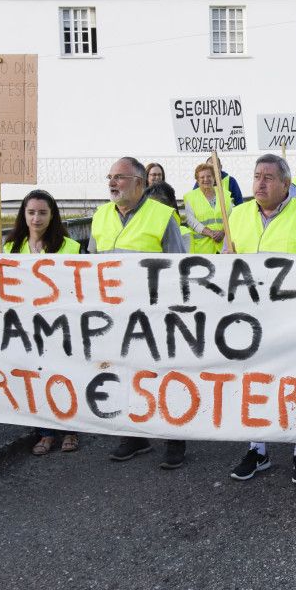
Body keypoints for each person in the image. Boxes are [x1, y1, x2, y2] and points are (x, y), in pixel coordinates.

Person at [226, 154, 296, 485]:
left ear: (286, 184)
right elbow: (224, 268)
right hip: (249, 320)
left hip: (295, 318)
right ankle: (257, 449)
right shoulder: (237, 214)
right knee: (254, 383)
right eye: (257, 176)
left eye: (268, 178)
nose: (260, 183)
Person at [91, 157, 188, 468]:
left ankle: (175, 439)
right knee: (124, 373)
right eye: (110, 177)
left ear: (139, 182)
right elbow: (91, 265)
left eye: (119, 177)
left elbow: (178, 267)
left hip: (155, 314)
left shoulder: (162, 216)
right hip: (115, 315)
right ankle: (135, 436)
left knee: (164, 375)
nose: (112, 183)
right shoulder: (101, 215)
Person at [3, 190, 85, 455]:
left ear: (52, 215)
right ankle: (46, 433)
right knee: (36, 378)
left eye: (42, 212)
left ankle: (71, 430)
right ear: (23, 215)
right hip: (26, 326)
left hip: (60, 324)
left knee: (64, 375)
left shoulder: (69, 247)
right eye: (31, 212)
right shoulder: (10, 248)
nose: (36, 218)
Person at [183, 162, 231, 254]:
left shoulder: (224, 194)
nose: (206, 179)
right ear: (197, 180)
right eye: (202, 177)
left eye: (209, 176)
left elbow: (231, 217)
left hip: (224, 247)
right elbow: (191, 221)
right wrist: (211, 233)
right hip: (203, 249)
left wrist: (223, 232)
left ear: (214, 178)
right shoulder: (190, 197)